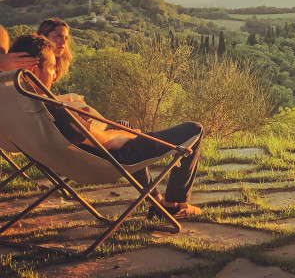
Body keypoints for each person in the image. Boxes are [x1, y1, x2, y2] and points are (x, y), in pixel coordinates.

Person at [9, 33, 203, 220]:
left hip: (71, 158)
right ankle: (175, 204)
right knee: (194, 129)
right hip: (109, 157)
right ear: (33, 71)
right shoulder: (54, 108)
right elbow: (107, 143)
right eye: (52, 68)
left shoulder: (18, 103)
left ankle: (156, 202)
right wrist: (131, 135)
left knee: (124, 124)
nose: (54, 73)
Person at [36, 17, 73, 82]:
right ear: (43, 37)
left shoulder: (56, 65)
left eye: (66, 38)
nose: (63, 42)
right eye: (58, 36)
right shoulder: (31, 62)